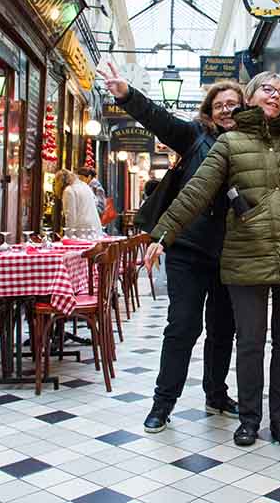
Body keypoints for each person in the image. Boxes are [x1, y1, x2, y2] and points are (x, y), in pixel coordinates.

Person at [145, 49, 280, 448]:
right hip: (245, 255)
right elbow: (197, 192)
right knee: (251, 343)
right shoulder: (230, 144)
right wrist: (163, 234)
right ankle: (249, 420)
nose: (275, 95)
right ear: (250, 98)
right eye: (266, 89)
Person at [97, 63, 242, 433]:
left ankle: (217, 393)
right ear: (209, 112)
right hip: (189, 251)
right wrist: (126, 94)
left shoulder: (250, 145)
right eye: (220, 104)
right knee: (183, 326)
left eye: (234, 104)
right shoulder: (194, 136)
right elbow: (159, 119)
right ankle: (163, 404)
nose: (227, 109)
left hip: (232, 254)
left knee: (223, 328)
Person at [62, 170, 103, 234]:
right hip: (95, 229)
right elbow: (96, 203)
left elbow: (70, 216)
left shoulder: (69, 190)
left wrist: (68, 235)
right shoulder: (85, 186)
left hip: (82, 231)